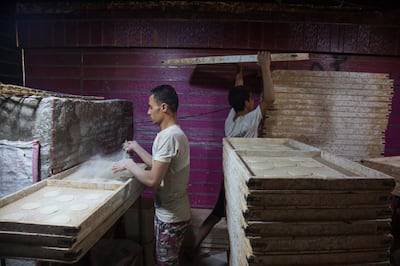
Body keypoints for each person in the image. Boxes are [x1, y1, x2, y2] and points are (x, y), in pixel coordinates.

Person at [187, 51, 275, 257]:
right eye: (251, 100)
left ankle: (192, 250)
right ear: (245, 104)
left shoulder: (232, 119)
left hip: (229, 176)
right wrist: (265, 66)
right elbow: (270, 98)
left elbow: (237, 92)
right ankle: (232, 257)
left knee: (217, 215)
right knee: (237, 220)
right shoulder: (249, 120)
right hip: (241, 178)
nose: (253, 102)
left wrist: (240, 70)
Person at [112, 84, 191, 266]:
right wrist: (136, 147)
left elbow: (153, 179)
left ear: (163, 107)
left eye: (150, 107)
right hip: (171, 212)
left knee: (166, 263)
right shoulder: (172, 134)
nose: (148, 112)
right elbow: (158, 165)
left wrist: (129, 164)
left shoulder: (168, 137)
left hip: (172, 217)